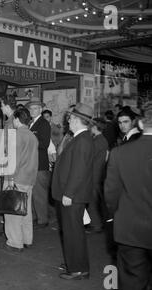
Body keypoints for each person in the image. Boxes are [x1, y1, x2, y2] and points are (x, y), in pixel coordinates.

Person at [104, 104, 152, 290]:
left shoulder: (119, 153)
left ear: (140, 123)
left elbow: (111, 194)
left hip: (130, 229)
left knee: (132, 282)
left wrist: (113, 215)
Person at [52, 103, 95, 280]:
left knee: (73, 232)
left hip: (73, 196)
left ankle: (78, 268)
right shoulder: (80, 138)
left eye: (70, 118)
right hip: (72, 194)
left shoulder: (82, 140)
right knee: (72, 231)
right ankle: (74, 262)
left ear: (77, 120)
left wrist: (69, 194)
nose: (68, 120)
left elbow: (78, 171)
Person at [2, 108, 38, 252]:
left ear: (16, 119)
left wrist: (9, 179)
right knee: (26, 210)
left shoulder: (16, 135)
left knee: (12, 212)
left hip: (16, 177)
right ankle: (27, 239)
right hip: (29, 178)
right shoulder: (32, 136)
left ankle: (15, 242)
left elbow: (13, 160)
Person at [27, 98, 51, 228]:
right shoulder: (31, 123)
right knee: (34, 193)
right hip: (32, 163)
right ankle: (36, 217)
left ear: (40, 110)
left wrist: (30, 142)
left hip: (40, 164)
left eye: (35, 108)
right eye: (31, 108)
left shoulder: (43, 123)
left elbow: (44, 144)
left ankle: (43, 220)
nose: (32, 110)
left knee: (40, 193)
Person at [86, 118, 109, 234]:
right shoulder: (102, 140)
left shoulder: (97, 141)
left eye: (91, 126)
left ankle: (96, 224)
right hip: (98, 173)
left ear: (95, 127)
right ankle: (97, 223)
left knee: (92, 201)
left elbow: (88, 158)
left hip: (93, 175)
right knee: (94, 200)